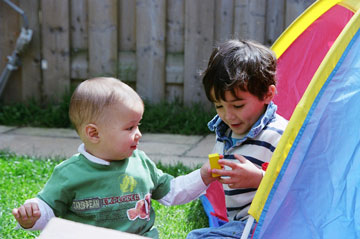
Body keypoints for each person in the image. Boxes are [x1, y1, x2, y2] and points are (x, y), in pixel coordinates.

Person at [12, 77, 216, 238]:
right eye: (129, 128)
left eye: (138, 125)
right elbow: (48, 209)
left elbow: (172, 191)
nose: (138, 133)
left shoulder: (141, 162)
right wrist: (32, 216)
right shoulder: (70, 173)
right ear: (94, 134)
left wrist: (203, 176)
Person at [187, 39, 288, 238]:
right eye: (219, 106)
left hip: (269, 225)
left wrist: (259, 178)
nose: (228, 115)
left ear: (268, 95)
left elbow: (300, 187)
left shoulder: (279, 135)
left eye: (238, 106)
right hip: (240, 224)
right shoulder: (226, 132)